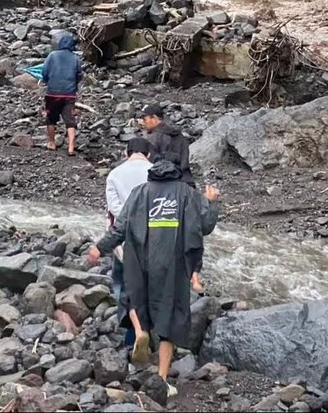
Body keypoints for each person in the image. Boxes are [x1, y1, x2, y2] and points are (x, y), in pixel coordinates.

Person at [88, 156, 220, 397]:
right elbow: (205, 226)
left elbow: (120, 228)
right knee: (170, 316)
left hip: (142, 259)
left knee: (134, 297)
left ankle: (141, 332)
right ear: (175, 175)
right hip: (174, 264)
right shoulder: (187, 193)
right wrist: (212, 203)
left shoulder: (140, 192)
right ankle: (161, 378)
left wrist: (99, 247)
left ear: (153, 175)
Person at [105, 137, 153, 350]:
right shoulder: (155, 172)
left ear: (126, 152)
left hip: (123, 238)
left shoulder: (115, 174)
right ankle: (149, 329)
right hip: (152, 236)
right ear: (148, 154)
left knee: (122, 283)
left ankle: (131, 335)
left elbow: (114, 208)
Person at [41, 32, 82, 156]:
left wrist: (47, 81)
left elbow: (45, 72)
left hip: (53, 93)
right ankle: (70, 147)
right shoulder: (75, 58)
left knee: (51, 118)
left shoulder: (52, 55)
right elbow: (79, 75)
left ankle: (52, 143)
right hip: (69, 94)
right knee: (70, 120)